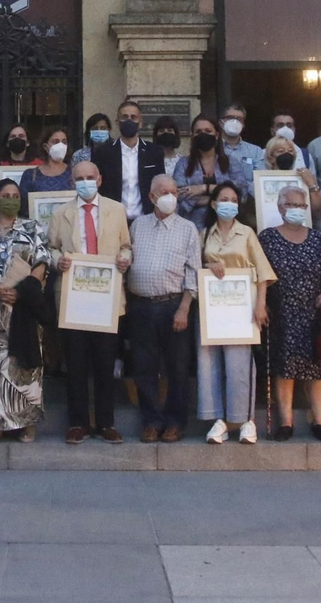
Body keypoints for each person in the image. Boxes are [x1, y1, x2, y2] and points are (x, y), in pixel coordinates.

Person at [47, 162, 132, 443]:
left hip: (106, 295)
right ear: (72, 182)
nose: (85, 182)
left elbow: (126, 245)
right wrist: (56, 259)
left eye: (90, 177)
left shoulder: (116, 209)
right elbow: (51, 246)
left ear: (100, 178)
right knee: (77, 362)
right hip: (75, 296)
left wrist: (125, 258)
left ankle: (106, 422)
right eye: (80, 178)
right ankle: (78, 422)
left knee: (105, 361)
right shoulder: (61, 213)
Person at [0, 178, 52, 441]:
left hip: (22, 307)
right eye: (6, 195)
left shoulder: (33, 227)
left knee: (23, 365)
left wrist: (23, 289)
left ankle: (25, 422)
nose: (11, 199)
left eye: (16, 195)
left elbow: (43, 261)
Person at [261, 183, 321, 442]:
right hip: (281, 310)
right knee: (285, 367)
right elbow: (259, 273)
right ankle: (286, 423)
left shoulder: (317, 238)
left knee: (318, 368)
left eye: (301, 205)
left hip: (314, 310)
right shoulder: (268, 237)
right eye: (291, 205)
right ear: (280, 207)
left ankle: (320, 422)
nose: (297, 209)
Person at [199, 182, 273, 444]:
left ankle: (245, 420)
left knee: (239, 364)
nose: (229, 203)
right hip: (213, 309)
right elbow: (196, 264)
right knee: (210, 363)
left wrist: (261, 304)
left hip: (242, 307)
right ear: (214, 204)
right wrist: (209, 264)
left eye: (234, 199)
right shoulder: (205, 233)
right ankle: (218, 420)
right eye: (224, 199)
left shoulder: (247, 233)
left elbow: (263, 272)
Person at [126, 175, 198, 443]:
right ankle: (151, 421)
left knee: (177, 367)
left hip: (173, 305)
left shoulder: (188, 229)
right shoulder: (138, 226)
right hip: (141, 305)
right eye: (164, 192)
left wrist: (184, 308)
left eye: (174, 191)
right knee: (144, 367)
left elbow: (193, 272)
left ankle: (175, 422)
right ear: (152, 197)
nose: (170, 196)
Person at [175, 115, 251, 232]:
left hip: (227, 227)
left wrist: (204, 188)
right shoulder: (183, 164)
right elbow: (179, 195)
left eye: (208, 131)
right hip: (193, 227)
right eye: (198, 131)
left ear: (216, 135)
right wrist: (220, 199)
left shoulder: (231, 162)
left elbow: (242, 191)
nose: (203, 134)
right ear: (193, 136)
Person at [94, 98, 166, 222]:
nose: (129, 120)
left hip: (146, 220)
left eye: (133, 117)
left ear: (141, 122)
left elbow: (160, 185)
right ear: (117, 122)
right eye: (124, 117)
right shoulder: (103, 153)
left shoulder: (154, 152)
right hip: (112, 220)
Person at [20, 128, 73, 194]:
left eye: (64, 142)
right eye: (56, 142)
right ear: (45, 147)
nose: (61, 146)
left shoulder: (74, 173)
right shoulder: (30, 175)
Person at [217, 102, 265, 174]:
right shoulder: (212, 149)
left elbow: (259, 178)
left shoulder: (255, 151)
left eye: (239, 119)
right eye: (230, 118)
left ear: (243, 125)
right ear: (221, 122)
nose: (235, 122)